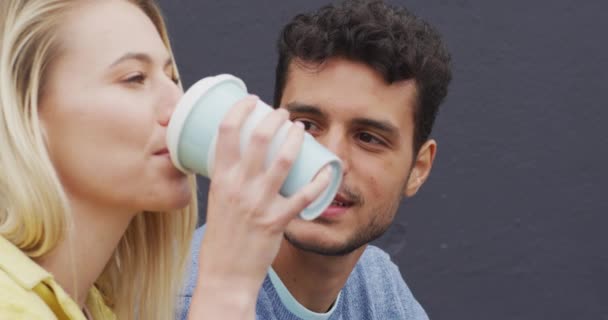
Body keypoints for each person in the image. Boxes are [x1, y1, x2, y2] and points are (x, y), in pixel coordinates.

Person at [0, 0, 329, 319]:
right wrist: (227, 286)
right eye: (134, 78)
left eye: (172, 78)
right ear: (27, 111)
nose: (178, 106)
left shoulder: (96, 306)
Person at [180, 0, 452, 319]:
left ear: (418, 169)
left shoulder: (378, 285)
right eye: (306, 125)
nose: (330, 158)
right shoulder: (186, 303)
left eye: (368, 137)